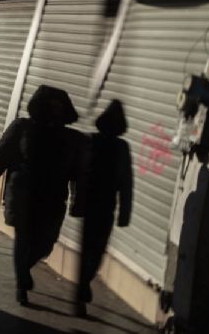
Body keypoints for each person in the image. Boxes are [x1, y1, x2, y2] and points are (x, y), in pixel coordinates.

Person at [0, 85, 85, 306]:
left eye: (59, 107)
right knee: (23, 238)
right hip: (23, 193)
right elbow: (2, 154)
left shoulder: (73, 139)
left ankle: (24, 267)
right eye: (50, 105)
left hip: (53, 198)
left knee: (46, 244)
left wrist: (78, 199)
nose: (54, 111)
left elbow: (79, 173)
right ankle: (21, 284)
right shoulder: (22, 128)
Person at [75, 100, 133, 317]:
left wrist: (77, 203)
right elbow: (126, 183)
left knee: (93, 252)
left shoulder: (114, 146)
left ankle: (83, 284)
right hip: (100, 207)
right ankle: (82, 290)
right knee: (95, 251)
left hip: (97, 206)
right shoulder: (99, 143)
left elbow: (125, 181)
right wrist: (124, 213)